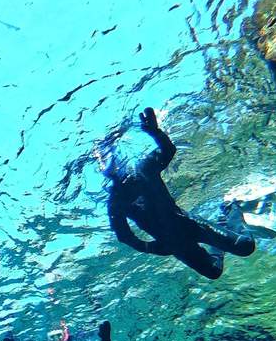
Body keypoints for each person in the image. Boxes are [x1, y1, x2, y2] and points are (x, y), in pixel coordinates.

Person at [105, 107, 256, 279]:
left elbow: (169, 151)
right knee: (213, 271)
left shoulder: (144, 169)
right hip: (171, 242)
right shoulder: (116, 203)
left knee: (245, 246)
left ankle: (231, 205)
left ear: (121, 162)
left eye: (115, 164)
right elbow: (124, 236)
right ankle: (223, 221)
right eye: (110, 168)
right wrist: (150, 247)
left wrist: (156, 133)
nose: (116, 171)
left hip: (187, 223)